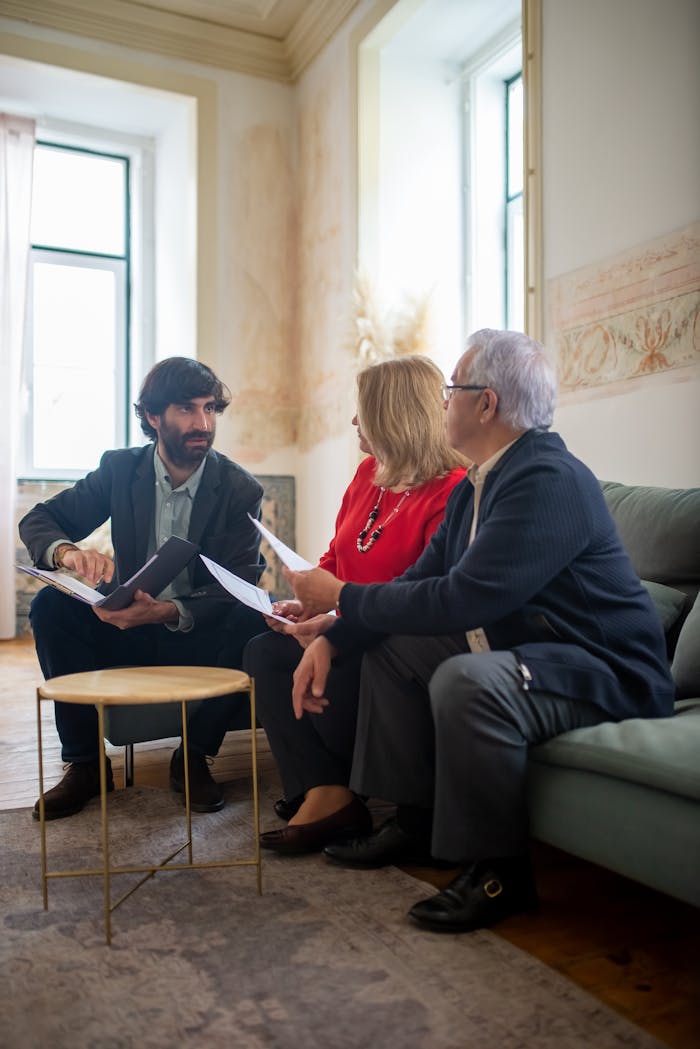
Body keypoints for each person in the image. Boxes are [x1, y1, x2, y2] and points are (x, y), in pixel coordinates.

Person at [284, 328, 675, 932]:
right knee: (398, 645)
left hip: (605, 670)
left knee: (468, 679)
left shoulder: (548, 479)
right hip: (538, 653)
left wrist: (340, 597)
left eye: (451, 391)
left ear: (485, 403)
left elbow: (463, 599)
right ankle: (416, 825)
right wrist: (337, 635)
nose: (441, 403)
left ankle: (500, 872)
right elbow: (418, 582)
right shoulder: (479, 484)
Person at [20, 357, 267, 820]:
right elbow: (39, 520)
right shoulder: (119, 469)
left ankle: (194, 758)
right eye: (187, 410)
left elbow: (239, 583)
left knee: (252, 614)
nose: (203, 423)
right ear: (153, 417)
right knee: (50, 607)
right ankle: (87, 765)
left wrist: (168, 611)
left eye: (210, 409)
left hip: (198, 633)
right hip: (125, 626)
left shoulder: (238, 489)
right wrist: (68, 554)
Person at [243, 355, 467, 854]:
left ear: (393, 416)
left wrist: (335, 619)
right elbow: (336, 557)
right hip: (344, 624)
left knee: (327, 665)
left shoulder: (451, 493)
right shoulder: (369, 473)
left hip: (386, 640)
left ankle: (335, 789)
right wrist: (304, 606)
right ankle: (326, 791)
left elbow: (418, 595)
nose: (352, 423)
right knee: (263, 651)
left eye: (361, 411)